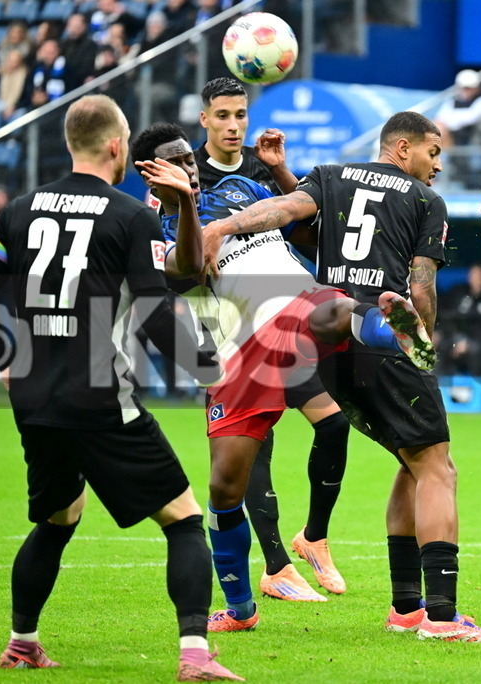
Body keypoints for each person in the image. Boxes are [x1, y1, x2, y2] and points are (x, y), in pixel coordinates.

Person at [198, 111, 481, 642]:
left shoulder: (332, 174)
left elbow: (282, 209)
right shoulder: (424, 200)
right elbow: (423, 286)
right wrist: (423, 340)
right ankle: (440, 617)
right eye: (433, 152)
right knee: (438, 468)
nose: (437, 165)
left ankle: (407, 609)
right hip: (381, 335)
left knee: (412, 464)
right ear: (404, 147)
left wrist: (222, 226)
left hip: (326, 346)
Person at [0, 94, 242, 681]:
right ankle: (195, 654)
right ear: (118, 146)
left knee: (59, 517)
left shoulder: (15, 212)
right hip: (99, 398)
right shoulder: (128, 217)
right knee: (185, 520)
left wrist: (4, 359)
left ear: (70, 143)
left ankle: (21, 642)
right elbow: (156, 311)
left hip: (34, 399)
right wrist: (208, 365)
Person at [132, 121, 435, 632]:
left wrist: (278, 172)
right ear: (150, 174)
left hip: (292, 302)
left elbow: (313, 229)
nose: (191, 170)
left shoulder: (240, 188)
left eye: (190, 159)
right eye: (177, 163)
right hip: (237, 350)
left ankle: (390, 326)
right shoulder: (149, 226)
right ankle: (242, 608)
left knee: (333, 308)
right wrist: (183, 205)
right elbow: (184, 274)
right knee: (225, 485)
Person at [192, 77, 356, 604]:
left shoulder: (258, 178)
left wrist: (282, 168)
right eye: (223, 115)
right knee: (252, 450)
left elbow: (311, 230)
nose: (234, 125)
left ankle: (312, 537)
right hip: (236, 334)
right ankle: (276, 567)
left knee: (333, 425)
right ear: (205, 120)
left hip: (286, 315)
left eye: (240, 113)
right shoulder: (181, 181)